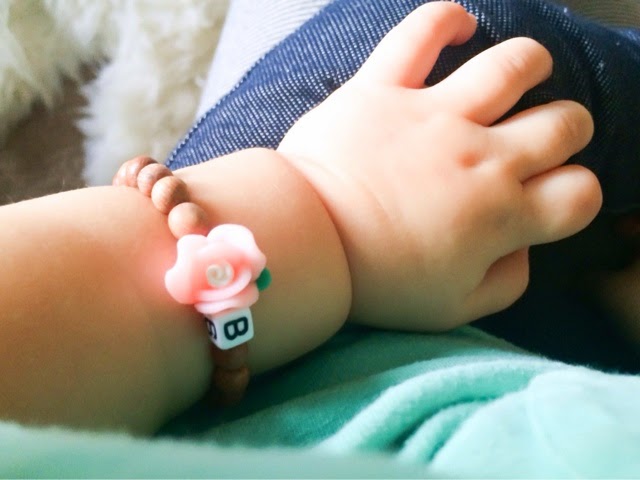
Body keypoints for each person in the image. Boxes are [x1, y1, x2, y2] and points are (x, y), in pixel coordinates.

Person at [0, 1, 632, 437]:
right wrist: (344, 208)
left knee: (447, 68)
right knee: (471, 48)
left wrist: (323, 206)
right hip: (340, 355)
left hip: (276, 291)